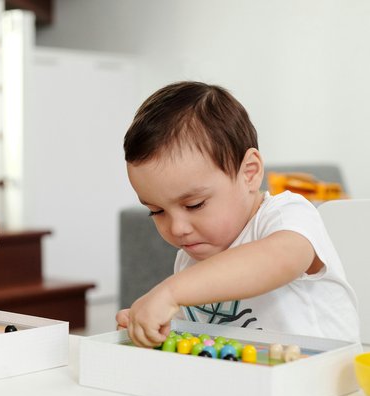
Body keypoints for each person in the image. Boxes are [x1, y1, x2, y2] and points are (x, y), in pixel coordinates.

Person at [115, 81, 359, 348]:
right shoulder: (190, 261)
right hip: (250, 383)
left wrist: (171, 292)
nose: (177, 228)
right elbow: (203, 338)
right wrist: (156, 326)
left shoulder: (285, 215)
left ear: (249, 173)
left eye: (195, 204)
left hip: (328, 382)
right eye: (156, 211)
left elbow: (281, 258)